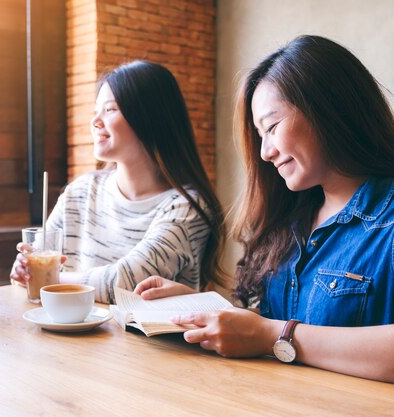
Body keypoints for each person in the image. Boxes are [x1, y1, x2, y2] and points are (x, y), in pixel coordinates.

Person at [134, 35, 394, 382]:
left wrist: (274, 337)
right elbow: (275, 321)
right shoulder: (292, 221)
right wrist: (208, 310)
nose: (265, 153)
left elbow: (273, 333)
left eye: (272, 127)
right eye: (260, 135)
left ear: (329, 108)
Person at [11, 60, 225, 303]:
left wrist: (47, 279)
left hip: (144, 342)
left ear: (150, 117)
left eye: (110, 110)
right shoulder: (80, 192)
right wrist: (24, 271)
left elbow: (128, 284)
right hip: (66, 338)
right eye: (95, 111)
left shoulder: (186, 208)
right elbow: (35, 263)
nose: (95, 121)